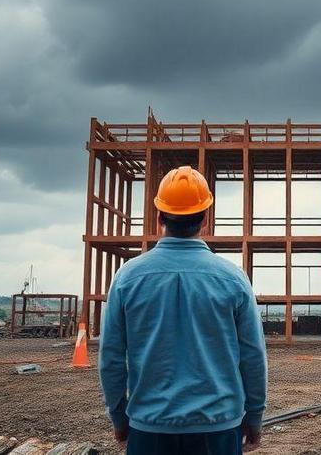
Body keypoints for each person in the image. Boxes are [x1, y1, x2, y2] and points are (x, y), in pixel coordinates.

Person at [100, 166, 266, 454]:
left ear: (159, 216)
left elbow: (111, 357)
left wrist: (119, 416)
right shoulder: (233, 279)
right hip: (218, 428)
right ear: (205, 218)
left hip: (149, 427)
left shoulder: (128, 277)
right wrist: (254, 417)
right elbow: (253, 355)